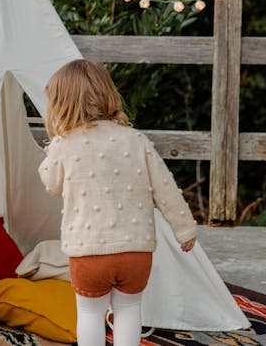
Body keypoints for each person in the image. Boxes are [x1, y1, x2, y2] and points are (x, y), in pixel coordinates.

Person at [38, 59, 198, 346]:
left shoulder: (65, 144)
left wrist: (52, 148)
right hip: (136, 251)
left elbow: (51, 184)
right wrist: (184, 230)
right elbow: (166, 189)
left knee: (89, 312)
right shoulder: (135, 140)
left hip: (88, 252)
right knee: (129, 309)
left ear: (60, 105)